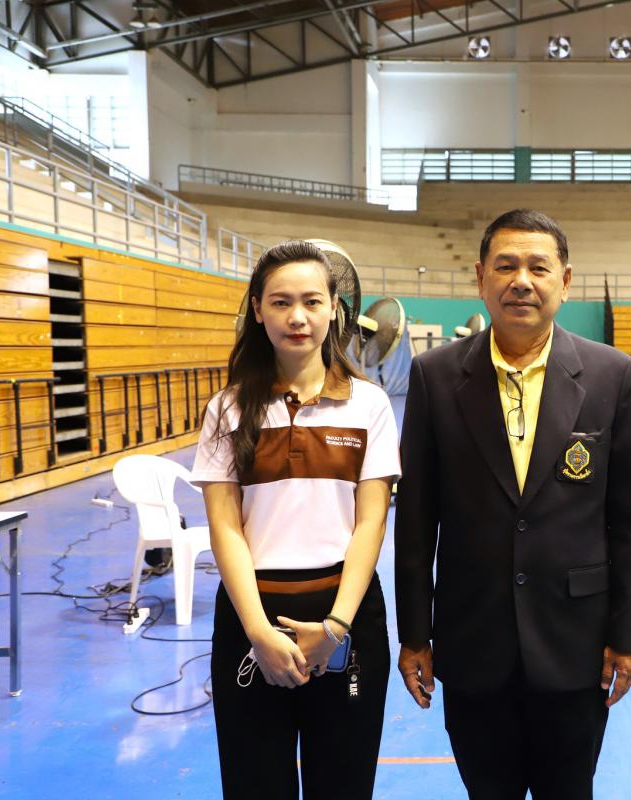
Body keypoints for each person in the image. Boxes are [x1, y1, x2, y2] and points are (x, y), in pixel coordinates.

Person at [395, 209, 631, 800]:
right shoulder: (435, 376)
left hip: (576, 641)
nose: (521, 281)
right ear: (480, 277)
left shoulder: (610, 374)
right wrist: (415, 634)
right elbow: (416, 523)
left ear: (565, 280)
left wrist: (627, 636)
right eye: (506, 266)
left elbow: (630, 520)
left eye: (538, 267)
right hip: (472, 639)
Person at [191, 241, 400, 799]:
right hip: (251, 616)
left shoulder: (369, 405)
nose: (297, 317)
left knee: (344, 786)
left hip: (345, 615)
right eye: (280, 302)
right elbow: (226, 528)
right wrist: (259, 632)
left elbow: (371, 525)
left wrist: (335, 629)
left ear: (334, 309)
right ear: (258, 310)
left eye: (311, 301)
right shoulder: (226, 409)